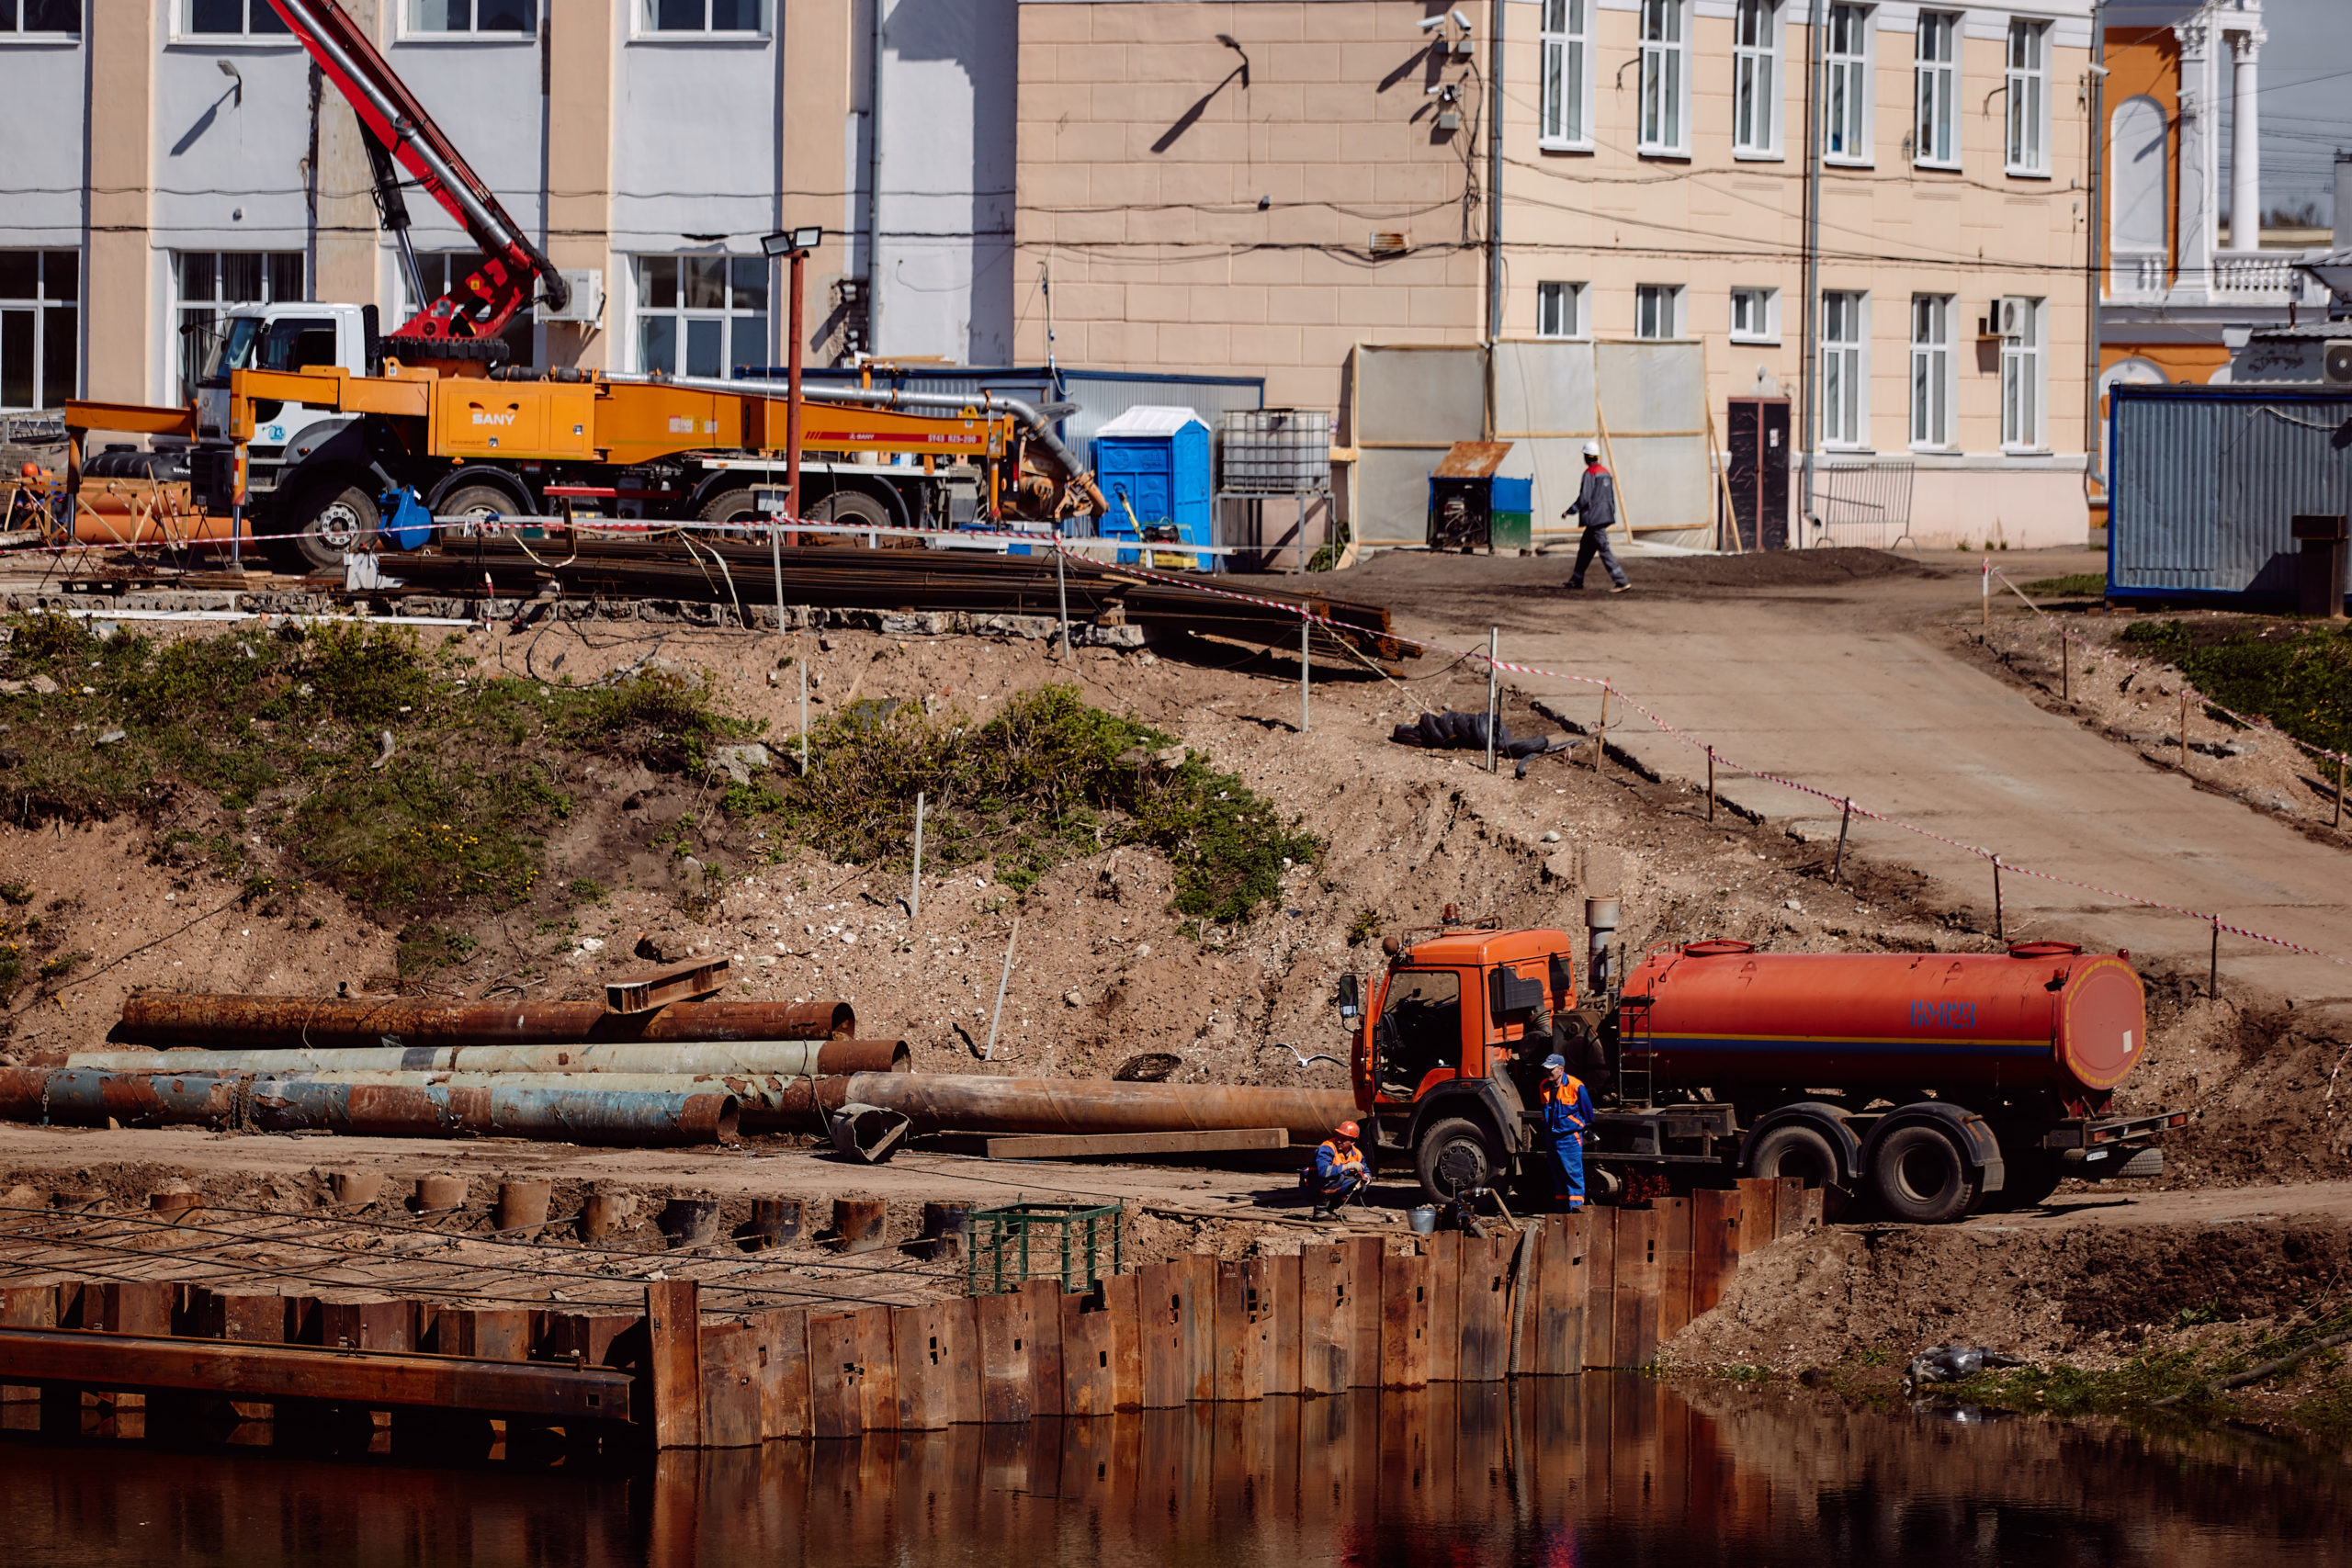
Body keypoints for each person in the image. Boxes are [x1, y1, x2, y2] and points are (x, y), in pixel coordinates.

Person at [1562, 440, 1632, 593]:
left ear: (1586, 457)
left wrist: (1570, 511)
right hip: (1604, 516)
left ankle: (1621, 581)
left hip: (1595, 519)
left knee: (1604, 549)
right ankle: (1576, 579)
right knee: (1585, 549)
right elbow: (1610, 496)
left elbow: (1584, 497)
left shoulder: (1589, 473)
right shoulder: (1605, 472)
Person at [1538, 1054, 1595, 1211]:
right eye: (1546, 1069)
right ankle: (1562, 1212)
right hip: (1552, 1137)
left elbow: (1587, 1112)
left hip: (1570, 1137)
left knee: (1573, 1176)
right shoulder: (1544, 1086)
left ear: (1561, 1069)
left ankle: (1576, 1213)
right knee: (1558, 1176)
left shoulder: (1575, 1086)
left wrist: (1585, 1127)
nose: (1548, 1072)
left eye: (1551, 1069)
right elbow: (1546, 1110)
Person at [1312, 1120, 1371, 1219]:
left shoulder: (1357, 1154)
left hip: (1329, 1185)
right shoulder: (1327, 1147)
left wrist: (1366, 1179)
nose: (1339, 1141)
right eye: (1338, 1137)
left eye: (1343, 1139)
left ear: (1352, 1142)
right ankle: (1320, 1210)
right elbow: (1323, 1171)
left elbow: (1367, 1171)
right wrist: (1348, 1166)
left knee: (1360, 1186)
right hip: (1312, 1185)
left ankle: (1329, 1210)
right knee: (1337, 1177)